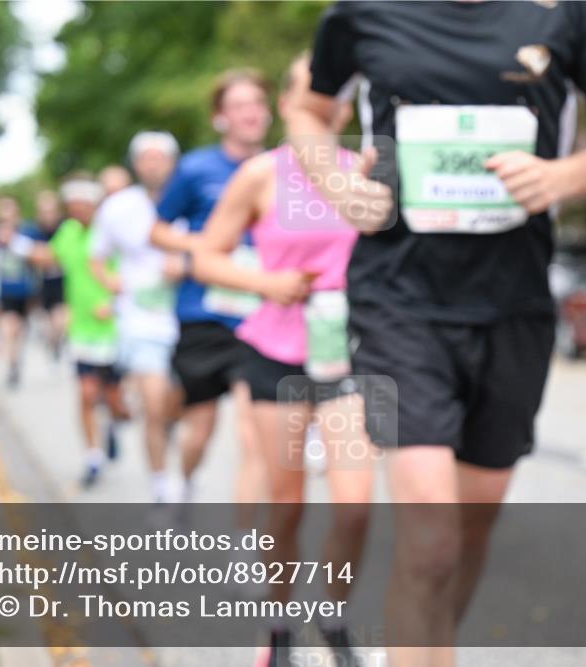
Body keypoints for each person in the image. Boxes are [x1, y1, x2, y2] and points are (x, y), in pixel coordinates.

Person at [286, 2, 586, 664]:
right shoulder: (363, 12)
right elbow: (308, 109)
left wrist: (561, 176)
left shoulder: (571, 14)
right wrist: (335, 183)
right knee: (431, 536)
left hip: (512, 305)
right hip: (398, 302)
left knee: (468, 534)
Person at [194, 55, 375, 667]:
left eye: (338, 94)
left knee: (356, 506)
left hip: (351, 353)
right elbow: (207, 258)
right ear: (289, 105)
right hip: (276, 352)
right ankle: (277, 627)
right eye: (314, 91)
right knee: (287, 504)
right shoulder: (260, 175)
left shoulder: (363, 170)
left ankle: (333, 617)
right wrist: (266, 284)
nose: (329, 103)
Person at [148, 68, 271, 509]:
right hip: (204, 313)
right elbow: (157, 230)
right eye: (239, 105)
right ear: (220, 116)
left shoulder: (282, 167)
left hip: (260, 313)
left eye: (257, 103)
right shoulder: (196, 168)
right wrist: (203, 248)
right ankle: (183, 482)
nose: (250, 113)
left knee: (253, 434)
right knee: (200, 430)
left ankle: (246, 538)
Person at [90, 132, 184, 504]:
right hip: (141, 320)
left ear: (172, 162)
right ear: (136, 164)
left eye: (160, 157)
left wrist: (187, 264)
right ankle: (161, 482)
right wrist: (110, 282)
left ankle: (166, 442)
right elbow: (96, 257)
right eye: (146, 158)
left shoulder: (191, 197)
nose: (153, 164)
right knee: (154, 402)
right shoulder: (118, 207)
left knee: (176, 405)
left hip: (187, 316)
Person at [28, 174, 130, 488]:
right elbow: (49, 257)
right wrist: (20, 247)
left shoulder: (112, 230)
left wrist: (113, 303)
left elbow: (132, 271)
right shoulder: (68, 232)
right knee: (86, 393)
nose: (77, 211)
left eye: (83, 205)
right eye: (72, 206)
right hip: (82, 328)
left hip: (113, 328)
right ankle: (92, 458)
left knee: (115, 400)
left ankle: (111, 425)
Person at [0, 196, 38, 388]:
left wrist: (17, 243)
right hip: (5, 290)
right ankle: (12, 365)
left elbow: (37, 255)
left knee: (20, 329)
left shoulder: (28, 231)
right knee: (8, 327)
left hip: (26, 289)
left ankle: (16, 358)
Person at [34, 189, 68, 361]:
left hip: (64, 283)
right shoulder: (35, 231)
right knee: (50, 324)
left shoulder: (66, 228)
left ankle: (57, 344)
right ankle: (53, 345)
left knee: (61, 321)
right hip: (44, 284)